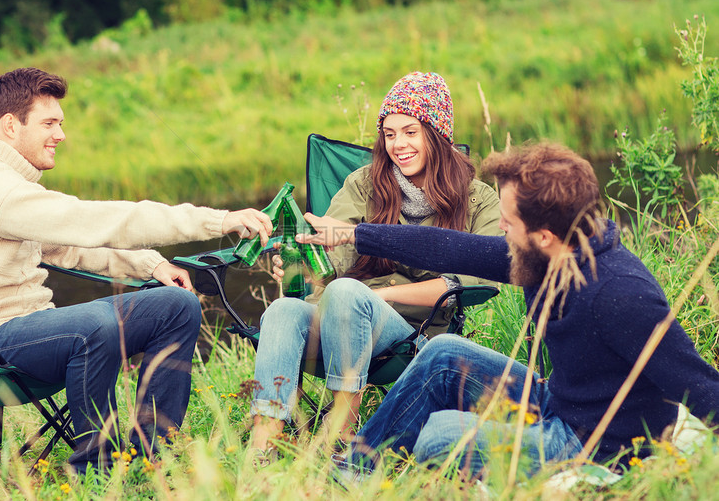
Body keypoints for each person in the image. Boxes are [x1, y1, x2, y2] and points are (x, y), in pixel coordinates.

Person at [0, 67, 273, 473]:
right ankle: (96, 466)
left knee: (177, 306)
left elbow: (69, 248)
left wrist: (150, 263)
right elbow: (102, 220)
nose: (61, 135)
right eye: (49, 123)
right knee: (94, 324)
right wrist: (215, 221)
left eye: (61, 123)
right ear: (9, 126)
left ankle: (153, 449)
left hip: (30, 328)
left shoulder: (10, 186)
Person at [298, 142, 719, 477]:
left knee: (441, 437)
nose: (500, 229)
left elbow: (699, 385)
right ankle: (355, 470)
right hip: (557, 401)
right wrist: (354, 233)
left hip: (595, 445)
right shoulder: (545, 255)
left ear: (546, 235)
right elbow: (452, 248)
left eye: (509, 222)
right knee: (442, 352)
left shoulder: (621, 294)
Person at [248, 72, 502, 456]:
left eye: (410, 132)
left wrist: (374, 298)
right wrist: (302, 264)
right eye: (389, 133)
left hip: (411, 333)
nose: (398, 144)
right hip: (338, 316)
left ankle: (342, 431)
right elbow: (332, 260)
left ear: (437, 134)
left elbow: (469, 282)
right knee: (284, 309)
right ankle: (265, 441)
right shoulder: (366, 183)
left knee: (348, 293)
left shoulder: (478, 199)